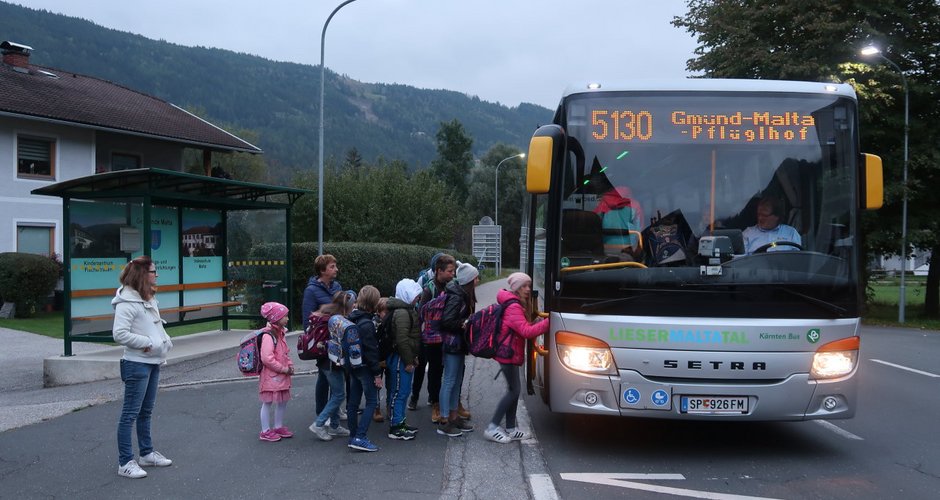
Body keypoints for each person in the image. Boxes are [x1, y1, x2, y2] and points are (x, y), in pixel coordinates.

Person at [112, 256, 174, 479]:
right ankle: (125, 462)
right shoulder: (127, 302)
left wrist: (163, 341)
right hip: (136, 364)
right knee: (130, 414)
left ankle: (146, 453)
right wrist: (147, 343)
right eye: (153, 272)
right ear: (141, 274)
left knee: (146, 412)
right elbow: (119, 334)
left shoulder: (148, 298)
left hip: (153, 362)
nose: (156, 275)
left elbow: (154, 327)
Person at [484, 273, 549, 443]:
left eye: (528, 285)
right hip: (507, 354)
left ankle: (511, 428)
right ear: (516, 288)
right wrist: (550, 322)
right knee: (513, 391)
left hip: (511, 353)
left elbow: (524, 327)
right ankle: (492, 427)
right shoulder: (513, 306)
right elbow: (526, 331)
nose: (527, 289)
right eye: (523, 286)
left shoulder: (515, 303)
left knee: (514, 391)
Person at [410, 253, 456, 424]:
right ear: (439, 271)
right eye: (450, 271)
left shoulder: (450, 286)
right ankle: (416, 397)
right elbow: (420, 313)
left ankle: (433, 399)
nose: (452, 274)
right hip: (427, 337)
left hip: (442, 335)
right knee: (423, 366)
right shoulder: (429, 290)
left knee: (438, 369)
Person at [437, 263, 479, 437]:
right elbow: (446, 321)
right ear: (469, 280)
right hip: (452, 344)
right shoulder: (457, 296)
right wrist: (464, 324)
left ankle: (454, 417)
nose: (478, 280)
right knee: (449, 381)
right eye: (475, 277)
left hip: (458, 344)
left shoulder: (462, 294)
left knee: (455, 381)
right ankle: (444, 421)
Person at [302, 254, 344, 423]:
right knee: (324, 375)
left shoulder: (337, 286)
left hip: (337, 337)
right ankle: (321, 412)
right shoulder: (311, 290)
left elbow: (342, 309)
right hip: (321, 339)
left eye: (335, 266)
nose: (336, 269)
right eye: (332, 267)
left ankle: (334, 409)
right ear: (322, 270)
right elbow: (308, 317)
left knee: (337, 373)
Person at [308, 291, 355, 441]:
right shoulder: (338, 321)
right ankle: (319, 424)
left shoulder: (325, 314)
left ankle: (334, 426)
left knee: (335, 392)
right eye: (352, 304)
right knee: (339, 394)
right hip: (332, 362)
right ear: (346, 306)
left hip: (323, 360)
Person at [346, 285, 384, 452]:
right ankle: (360, 437)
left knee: (353, 403)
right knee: (371, 401)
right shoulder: (367, 324)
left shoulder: (351, 318)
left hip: (353, 365)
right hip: (365, 367)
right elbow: (371, 351)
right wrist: (377, 373)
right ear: (374, 303)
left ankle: (353, 435)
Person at [386, 278, 423, 440]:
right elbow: (402, 340)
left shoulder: (406, 310)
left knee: (404, 391)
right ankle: (396, 426)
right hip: (401, 359)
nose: (418, 298)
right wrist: (409, 360)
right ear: (406, 294)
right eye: (415, 295)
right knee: (399, 392)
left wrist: (413, 357)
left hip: (405, 358)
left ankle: (401, 421)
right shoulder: (402, 312)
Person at [257, 302, 295, 442]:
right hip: (272, 376)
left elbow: (285, 352)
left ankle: (278, 426)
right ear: (276, 318)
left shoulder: (280, 333)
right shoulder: (268, 336)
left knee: (282, 401)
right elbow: (267, 358)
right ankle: (265, 430)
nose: (287, 319)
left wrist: (289, 365)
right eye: (285, 316)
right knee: (267, 402)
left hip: (281, 374)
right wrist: (284, 369)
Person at [594, 185, 644, 259]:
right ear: (629, 193)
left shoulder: (602, 203)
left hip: (604, 248)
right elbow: (639, 229)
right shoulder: (634, 204)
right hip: (627, 249)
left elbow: (595, 223)